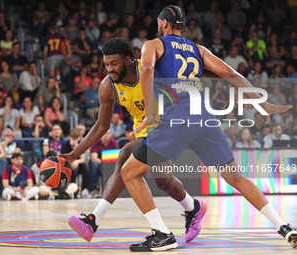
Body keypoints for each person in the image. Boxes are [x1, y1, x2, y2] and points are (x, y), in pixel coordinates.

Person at [116, 5, 296, 251]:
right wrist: (262, 102)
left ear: (166, 24)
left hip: (177, 118)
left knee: (129, 172)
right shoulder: (198, 49)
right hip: (204, 117)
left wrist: (149, 113)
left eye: (159, 22)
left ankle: (162, 234)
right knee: (235, 177)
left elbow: (146, 70)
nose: (157, 25)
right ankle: (284, 226)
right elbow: (231, 73)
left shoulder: (154, 45)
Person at [62, 38, 209, 244]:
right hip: (144, 130)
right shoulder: (108, 86)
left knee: (124, 157)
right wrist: (75, 153)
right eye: (106, 64)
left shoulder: (152, 70)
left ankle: (94, 221)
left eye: (114, 63)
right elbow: (101, 126)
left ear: (129, 60)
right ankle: (194, 207)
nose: (109, 69)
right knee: (163, 180)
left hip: (169, 125)